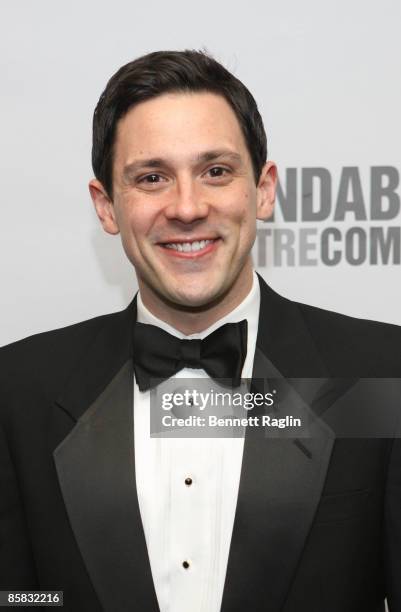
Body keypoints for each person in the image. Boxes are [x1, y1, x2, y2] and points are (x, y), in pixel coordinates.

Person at [0, 50, 400, 612]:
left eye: (216, 171)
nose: (186, 207)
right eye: (152, 177)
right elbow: (20, 598)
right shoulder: (18, 391)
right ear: (106, 205)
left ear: (262, 190)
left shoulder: (382, 375)